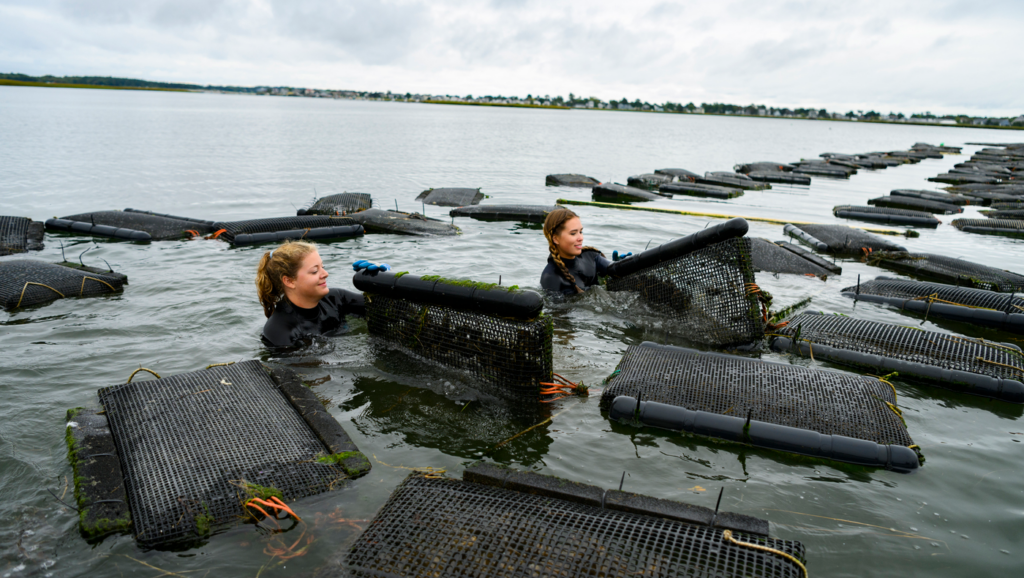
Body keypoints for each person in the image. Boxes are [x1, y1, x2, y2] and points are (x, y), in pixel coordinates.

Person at [256, 240, 370, 348]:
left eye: (323, 267)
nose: (325, 274)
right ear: (289, 281)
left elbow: (379, 306)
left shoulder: (337, 298)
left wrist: (379, 281)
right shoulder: (280, 331)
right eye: (315, 271)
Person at [540, 208, 631, 295]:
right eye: (573, 233)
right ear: (555, 239)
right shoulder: (550, 277)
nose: (581, 238)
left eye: (581, 232)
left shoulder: (591, 256)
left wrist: (623, 264)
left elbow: (613, 269)